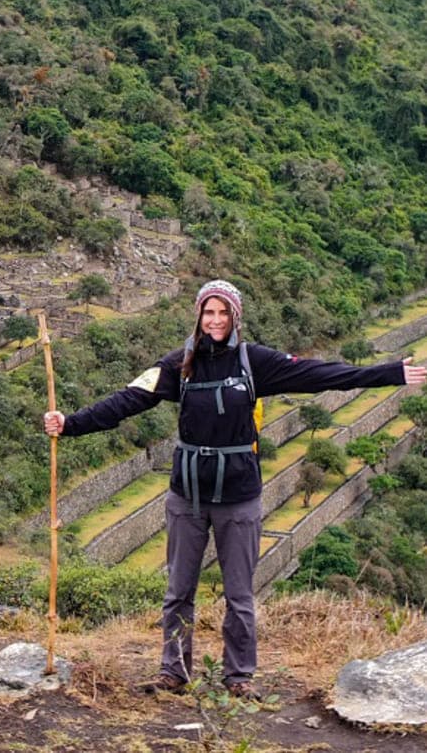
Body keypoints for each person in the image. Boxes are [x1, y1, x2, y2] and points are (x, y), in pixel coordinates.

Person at [43, 279, 426, 699]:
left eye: (223, 312)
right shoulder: (179, 364)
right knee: (178, 592)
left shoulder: (253, 361)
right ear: (198, 316)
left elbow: (319, 375)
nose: (216, 320)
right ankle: (174, 671)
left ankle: (238, 677)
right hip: (187, 495)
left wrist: (388, 373)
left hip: (239, 496)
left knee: (239, 594)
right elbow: (128, 399)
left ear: (236, 316)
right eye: (209, 312)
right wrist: (71, 423)